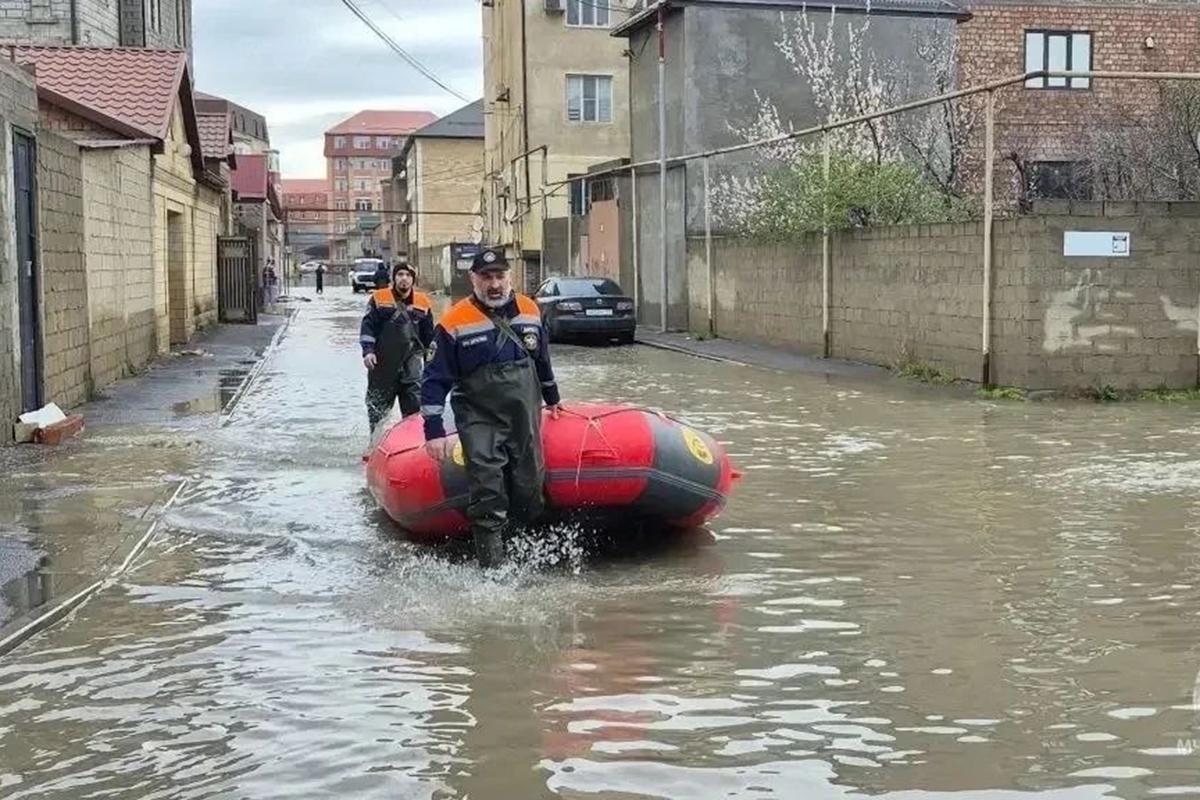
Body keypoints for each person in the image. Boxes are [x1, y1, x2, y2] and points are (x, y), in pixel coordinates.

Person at [421, 248, 562, 567]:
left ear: (509, 277)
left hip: (523, 417)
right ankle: (493, 571)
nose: (494, 284)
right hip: (479, 420)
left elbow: (542, 360)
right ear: (474, 279)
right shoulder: (453, 321)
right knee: (488, 493)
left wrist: (553, 399)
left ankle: (524, 561)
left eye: (500, 276)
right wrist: (433, 431)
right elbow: (433, 379)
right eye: (486, 277)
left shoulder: (530, 310)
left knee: (529, 490)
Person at [360, 262, 435, 433]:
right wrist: (368, 351)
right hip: (383, 364)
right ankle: (375, 443)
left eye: (408, 275)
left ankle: (411, 446)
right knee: (377, 411)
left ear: (413, 280)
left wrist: (432, 364)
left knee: (414, 411)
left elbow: (429, 338)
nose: (404, 279)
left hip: (412, 365)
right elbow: (368, 327)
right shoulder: (379, 298)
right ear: (394, 278)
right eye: (400, 274)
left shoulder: (423, 302)